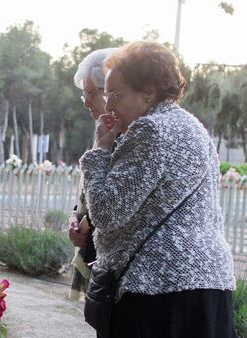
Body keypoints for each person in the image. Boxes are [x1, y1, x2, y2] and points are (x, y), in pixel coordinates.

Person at [80, 41, 236, 337]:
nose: (108, 104)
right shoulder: (192, 127)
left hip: (157, 290)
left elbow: (107, 212)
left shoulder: (150, 129)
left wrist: (99, 153)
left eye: (115, 93)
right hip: (209, 286)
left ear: (148, 92)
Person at [67, 48, 117, 301]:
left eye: (90, 93)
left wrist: (85, 226)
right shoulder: (103, 131)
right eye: (82, 95)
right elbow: (90, 190)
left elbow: (113, 201)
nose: (86, 102)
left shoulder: (129, 135)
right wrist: (75, 218)